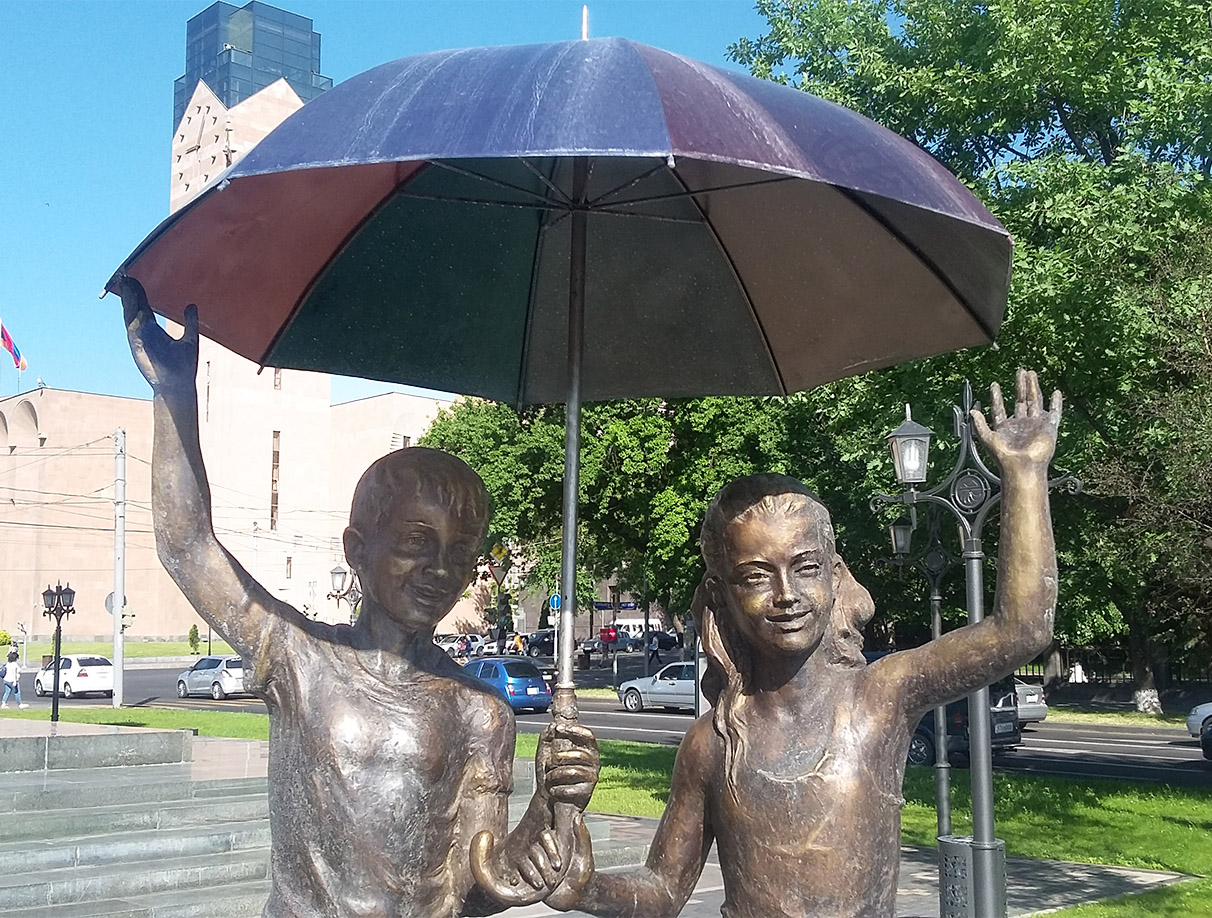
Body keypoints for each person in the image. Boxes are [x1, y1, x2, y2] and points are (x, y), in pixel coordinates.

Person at [119, 276, 597, 918]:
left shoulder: (481, 713)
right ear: (357, 549)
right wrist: (175, 395)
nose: (439, 569)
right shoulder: (298, 656)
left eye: (460, 552)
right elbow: (187, 545)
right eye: (417, 542)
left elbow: (479, 888)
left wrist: (549, 806)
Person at [542, 370, 1061, 918]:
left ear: (835, 577)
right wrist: (587, 888)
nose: (786, 595)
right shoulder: (711, 745)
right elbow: (663, 889)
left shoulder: (880, 699)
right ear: (720, 596)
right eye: (756, 577)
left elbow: (1021, 629)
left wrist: (1025, 475)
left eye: (806, 568)